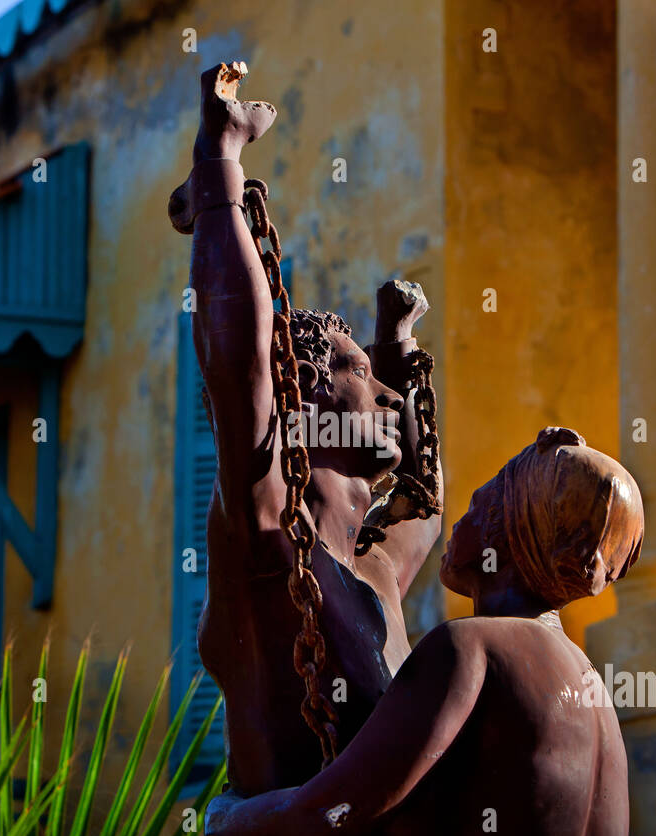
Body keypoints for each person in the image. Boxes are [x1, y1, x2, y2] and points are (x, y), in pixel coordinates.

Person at [169, 62, 443, 795]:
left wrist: (396, 347)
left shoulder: (374, 567)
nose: (390, 397)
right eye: (362, 374)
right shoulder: (264, 527)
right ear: (308, 392)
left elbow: (424, 499)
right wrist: (220, 168)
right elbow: (240, 365)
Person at [205, 427, 644, 836]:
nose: (461, 519)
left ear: (505, 525)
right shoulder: (594, 694)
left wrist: (224, 816)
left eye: (480, 502)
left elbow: (318, 819)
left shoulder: (472, 648)